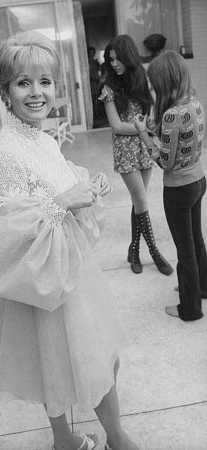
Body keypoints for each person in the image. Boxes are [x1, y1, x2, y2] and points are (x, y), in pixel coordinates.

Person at [0, 31, 140, 450]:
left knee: (85, 362)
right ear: (5, 92)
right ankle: (103, 438)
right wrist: (63, 202)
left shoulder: (40, 138)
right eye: (24, 82)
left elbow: (53, 184)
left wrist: (84, 184)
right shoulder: (3, 154)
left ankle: (84, 438)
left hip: (69, 271)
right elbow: (11, 237)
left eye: (44, 81)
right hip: (44, 283)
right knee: (65, 367)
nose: (37, 92)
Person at [134, 50, 207, 321]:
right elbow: (180, 141)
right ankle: (202, 287)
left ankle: (189, 308)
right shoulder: (194, 103)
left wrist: (143, 133)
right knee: (197, 240)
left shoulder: (171, 115)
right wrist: (153, 128)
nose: (152, 89)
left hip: (178, 189)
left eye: (154, 84)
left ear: (165, 81)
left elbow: (165, 161)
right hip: (198, 181)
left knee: (184, 250)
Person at [99, 34, 173, 276]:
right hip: (126, 151)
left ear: (129, 57)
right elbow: (117, 126)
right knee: (142, 201)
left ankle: (133, 250)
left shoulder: (141, 81)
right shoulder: (108, 88)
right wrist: (145, 128)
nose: (114, 64)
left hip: (144, 148)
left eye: (117, 59)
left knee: (137, 202)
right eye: (110, 59)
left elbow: (150, 116)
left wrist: (149, 128)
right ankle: (154, 251)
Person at [88, 46, 101, 121]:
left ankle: (97, 114)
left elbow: (98, 69)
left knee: (96, 99)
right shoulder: (87, 61)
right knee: (92, 100)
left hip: (96, 83)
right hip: (92, 83)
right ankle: (94, 116)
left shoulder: (94, 61)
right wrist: (93, 79)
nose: (92, 54)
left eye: (93, 52)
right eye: (91, 52)